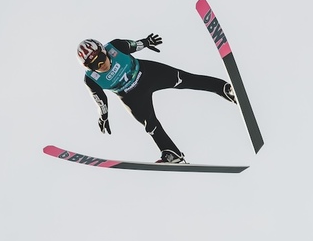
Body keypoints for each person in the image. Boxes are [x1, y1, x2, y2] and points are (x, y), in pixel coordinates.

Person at [77, 34, 237, 163]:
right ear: (89, 68)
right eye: (95, 65)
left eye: (101, 58)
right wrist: (103, 116)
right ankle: (172, 153)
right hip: (131, 96)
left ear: (104, 51)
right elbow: (100, 100)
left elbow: (134, 45)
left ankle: (225, 89)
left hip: (148, 73)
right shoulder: (91, 79)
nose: (101, 65)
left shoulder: (115, 47)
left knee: (186, 79)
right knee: (151, 125)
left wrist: (147, 42)